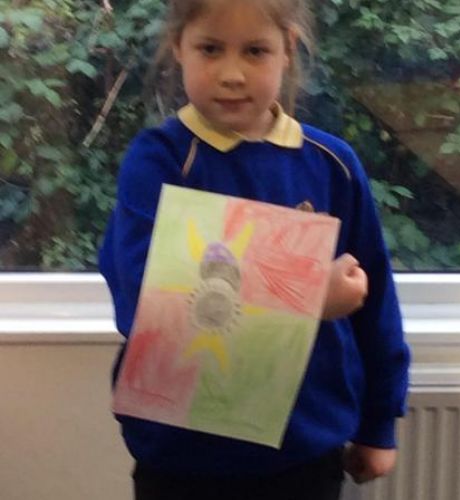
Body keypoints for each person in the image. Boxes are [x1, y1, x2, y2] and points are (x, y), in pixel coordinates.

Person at [99, 0, 410, 499]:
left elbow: (375, 303)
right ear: (178, 47)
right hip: (182, 454)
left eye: (255, 51)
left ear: (288, 49)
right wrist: (307, 297)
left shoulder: (331, 164)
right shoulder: (159, 161)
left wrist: (378, 423)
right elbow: (147, 304)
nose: (232, 74)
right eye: (210, 49)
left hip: (302, 450)